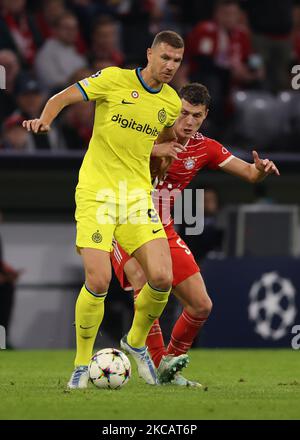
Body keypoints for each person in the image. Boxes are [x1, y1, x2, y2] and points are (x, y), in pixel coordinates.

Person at [23, 30, 189, 388]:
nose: (170, 66)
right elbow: (64, 96)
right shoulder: (114, 79)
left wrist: (159, 157)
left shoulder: (171, 103)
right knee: (98, 280)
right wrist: (46, 119)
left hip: (136, 198)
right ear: (149, 54)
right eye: (164, 57)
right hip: (97, 194)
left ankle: (134, 341)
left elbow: (160, 143)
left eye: (176, 60)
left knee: (162, 278)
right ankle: (82, 366)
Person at [111, 82, 280, 387]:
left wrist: (261, 169)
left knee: (202, 305)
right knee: (143, 280)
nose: (188, 121)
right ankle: (149, 359)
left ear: (205, 116)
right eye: (184, 113)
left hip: (162, 229)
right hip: (124, 221)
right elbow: (112, 149)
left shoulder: (204, 147)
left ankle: (168, 365)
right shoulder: (148, 132)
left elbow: (250, 174)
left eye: (196, 116)